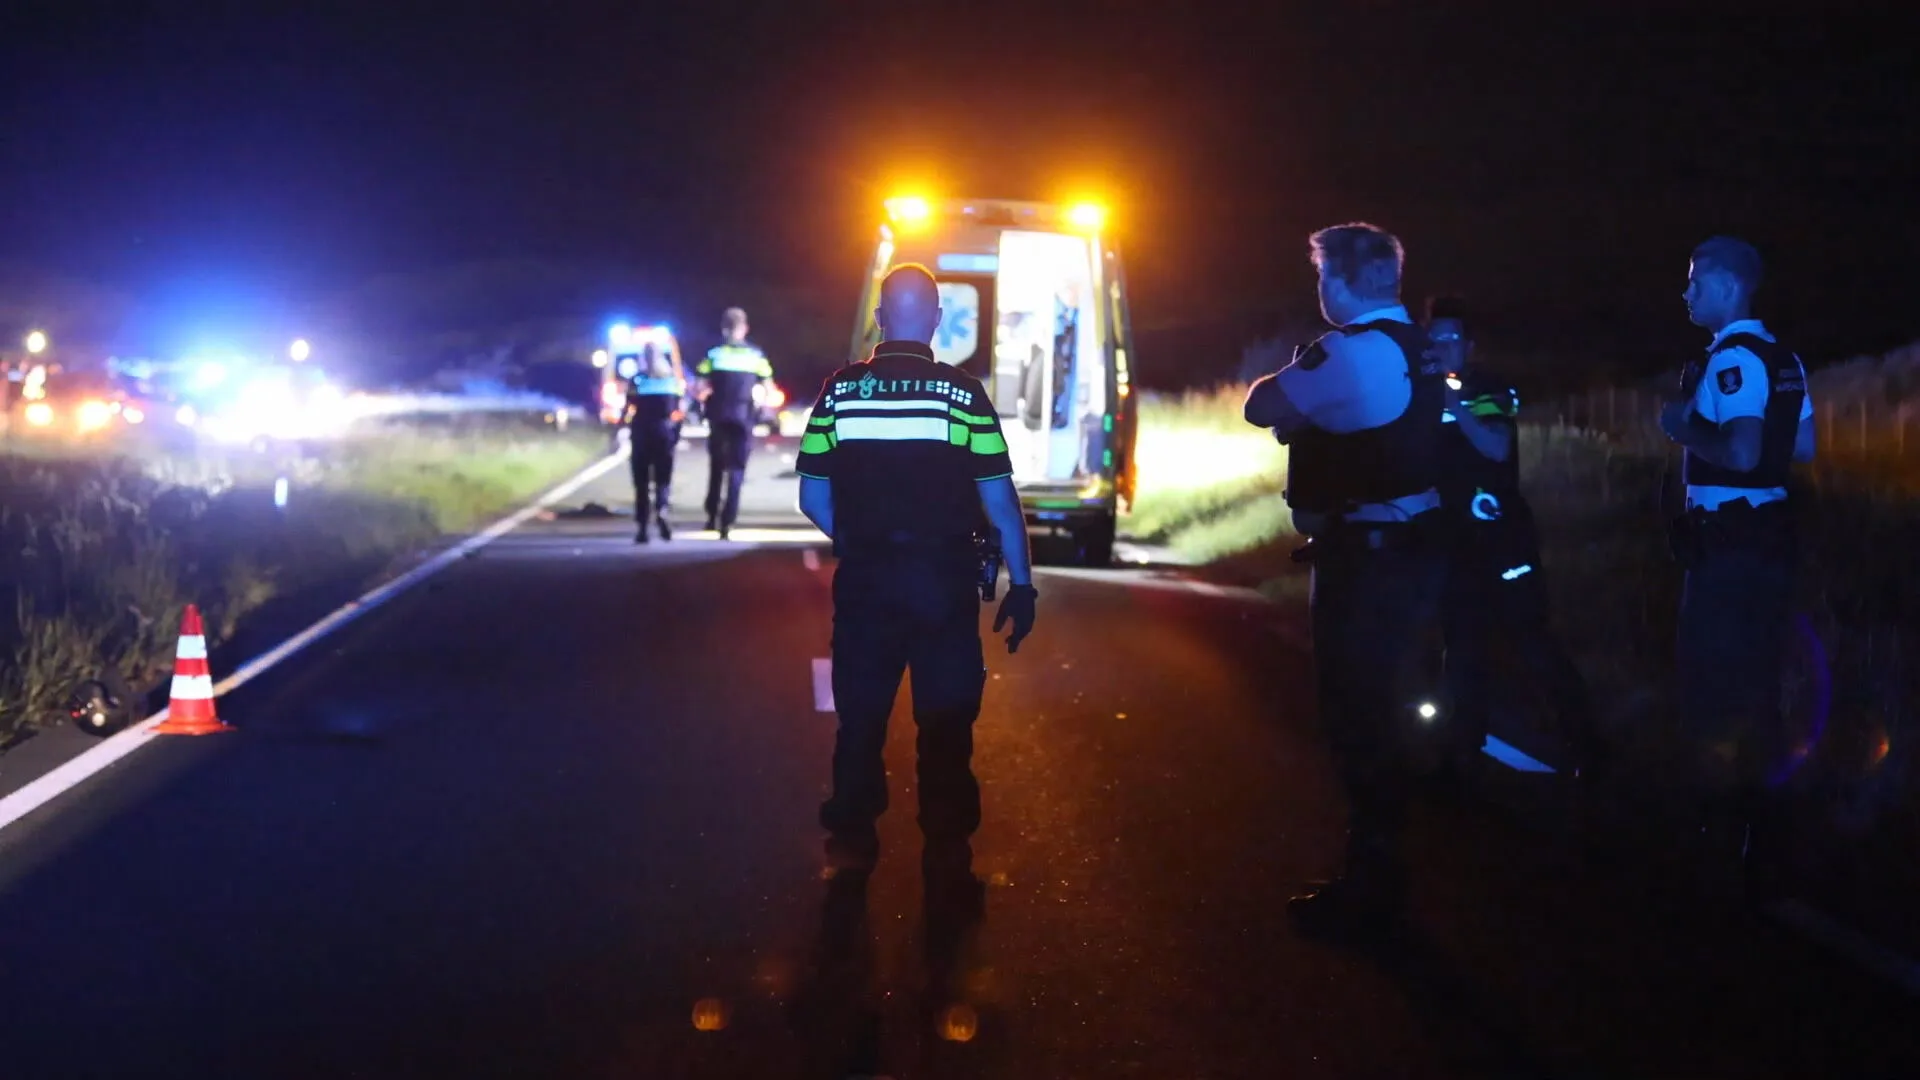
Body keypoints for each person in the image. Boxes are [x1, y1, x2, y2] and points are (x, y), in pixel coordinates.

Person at [796, 263, 1038, 893]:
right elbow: (1001, 502)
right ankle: (947, 844)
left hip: (869, 581)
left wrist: (855, 541)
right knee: (947, 716)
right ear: (935, 321)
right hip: (943, 582)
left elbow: (812, 495)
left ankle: (851, 839)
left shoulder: (840, 393)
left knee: (862, 716)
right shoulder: (964, 396)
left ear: (880, 319)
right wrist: (1024, 583)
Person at [1242, 222, 1449, 937]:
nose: (1318, 288)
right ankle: (1382, 872)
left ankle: (1373, 886)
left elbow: (1262, 406)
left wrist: (1296, 388)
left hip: (1368, 557)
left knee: (1357, 718)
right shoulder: (1420, 349)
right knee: (1385, 710)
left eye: (1322, 275)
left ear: (1342, 281)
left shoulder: (1350, 352)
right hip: (1415, 549)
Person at [1658, 235, 1815, 898]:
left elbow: (1746, 452)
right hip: (1768, 542)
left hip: (1729, 548)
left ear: (1726, 285)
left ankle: (1718, 843)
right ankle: (1768, 841)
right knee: (1757, 688)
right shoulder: (1785, 359)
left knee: (1713, 692)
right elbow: (1800, 446)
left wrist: (1681, 426)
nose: (1686, 293)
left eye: (1695, 282)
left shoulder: (1736, 360)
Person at [1426, 296, 1599, 787]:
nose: (1442, 347)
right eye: (1434, 338)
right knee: (1461, 652)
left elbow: (1496, 445)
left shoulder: (1489, 388)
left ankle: (1588, 747)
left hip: (1504, 544)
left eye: (1452, 339)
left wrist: (1451, 403)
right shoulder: (1420, 396)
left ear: (1470, 345)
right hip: (1453, 546)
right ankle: (1461, 761)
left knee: (1533, 643)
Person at [695, 307, 774, 539]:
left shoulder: (713, 354)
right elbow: (769, 388)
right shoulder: (756, 356)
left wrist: (702, 400)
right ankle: (728, 521)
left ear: (723, 329)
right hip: (743, 417)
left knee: (717, 467)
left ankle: (711, 516)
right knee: (737, 470)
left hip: (718, 416)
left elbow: (699, 387)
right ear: (744, 329)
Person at [624, 338, 686, 543]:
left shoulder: (637, 380)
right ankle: (662, 511)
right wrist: (676, 433)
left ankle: (642, 528)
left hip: (641, 432)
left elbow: (627, 409)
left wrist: (619, 427)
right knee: (663, 479)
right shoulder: (671, 381)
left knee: (641, 483)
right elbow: (679, 410)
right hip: (664, 432)